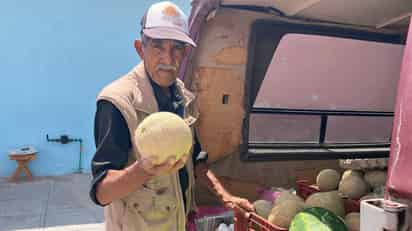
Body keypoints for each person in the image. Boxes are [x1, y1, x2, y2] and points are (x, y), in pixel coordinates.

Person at [89, 1, 253, 230]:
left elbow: (196, 160)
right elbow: (102, 192)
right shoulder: (117, 102)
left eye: (177, 47)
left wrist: (225, 197)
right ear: (140, 48)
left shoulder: (183, 97)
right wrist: (143, 170)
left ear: (185, 52)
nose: (168, 58)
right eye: (158, 46)